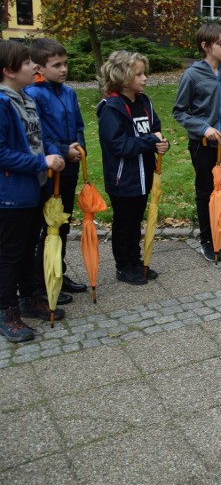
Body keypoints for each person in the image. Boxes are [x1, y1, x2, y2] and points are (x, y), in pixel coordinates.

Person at [0, 40, 66, 342]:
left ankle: (29, 297)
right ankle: (7, 312)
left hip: (34, 188)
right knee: (10, 255)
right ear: (9, 71)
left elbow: (41, 136)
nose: (32, 67)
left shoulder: (25, 99)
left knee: (28, 248)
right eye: (27, 63)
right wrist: (40, 161)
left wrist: (53, 153)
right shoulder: (2, 104)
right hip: (12, 193)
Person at [97, 51, 170, 285]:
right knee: (124, 222)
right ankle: (123, 265)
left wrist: (161, 143)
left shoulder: (144, 102)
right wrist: (150, 141)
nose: (144, 78)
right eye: (138, 74)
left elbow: (155, 129)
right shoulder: (111, 107)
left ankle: (135, 260)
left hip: (143, 176)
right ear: (122, 76)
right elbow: (119, 144)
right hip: (122, 179)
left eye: (144, 73)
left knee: (135, 220)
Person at [173, 23, 221, 263]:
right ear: (205, 46)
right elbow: (180, 111)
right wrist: (204, 128)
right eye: (220, 44)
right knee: (206, 193)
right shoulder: (192, 75)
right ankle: (207, 239)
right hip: (203, 146)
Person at [25, 38, 87, 304]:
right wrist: (62, 151)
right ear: (39, 68)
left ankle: (58, 271)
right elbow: (41, 133)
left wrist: (78, 148)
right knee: (48, 225)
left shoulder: (70, 92)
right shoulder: (34, 94)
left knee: (63, 223)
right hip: (51, 169)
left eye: (65, 63)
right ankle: (43, 278)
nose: (63, 69)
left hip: (70, 166)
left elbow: (80, 125)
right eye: (56, 65)